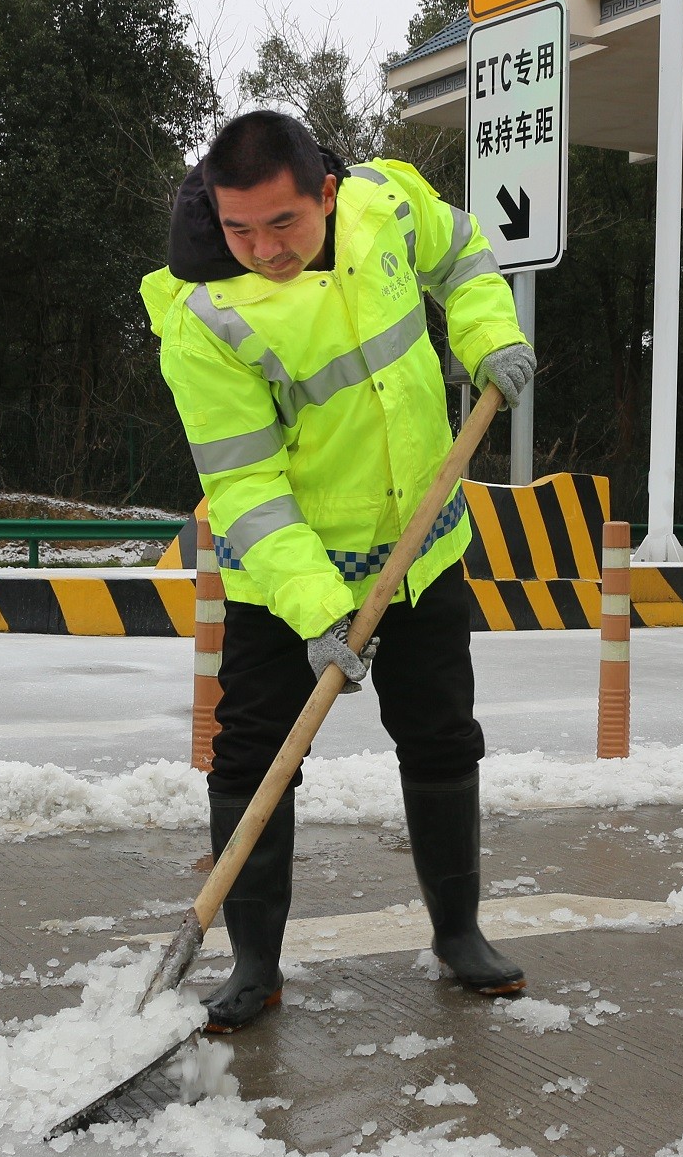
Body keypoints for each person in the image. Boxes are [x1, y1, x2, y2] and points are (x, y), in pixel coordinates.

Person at [140, 110, 537, 1031]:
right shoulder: (207, 317)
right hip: (287, 577)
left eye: (282, 223)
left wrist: (486, 338)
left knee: (441, 739)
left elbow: (465, 254)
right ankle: (253, 966)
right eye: (238, 229)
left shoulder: (386, 203)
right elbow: (243, 485)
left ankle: (459, 932)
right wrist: (318, 606)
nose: (262, 249)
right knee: (253, 758)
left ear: (325, 192)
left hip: (422, 548)